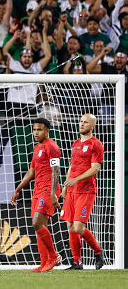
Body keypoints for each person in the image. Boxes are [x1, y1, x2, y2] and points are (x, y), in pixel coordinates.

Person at [10, 118, 62, 272]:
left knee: (36, 222)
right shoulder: (36, 148)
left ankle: (53, 256)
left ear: (47, 130)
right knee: (40, 226)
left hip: (48, 189)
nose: (35, 133)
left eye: (39, 129)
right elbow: (31, 171)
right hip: (38, 190)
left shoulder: (52, 147)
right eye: (34, 129)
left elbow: (56, 171)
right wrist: (18, 189)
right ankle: (44, 264)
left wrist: (53, 193)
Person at [59, 114, 104, 270]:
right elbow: (72, 166)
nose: (82, 124)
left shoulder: (96, 144)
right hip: (72, 190)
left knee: (78, 227)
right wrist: (65, 186)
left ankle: (98, 252)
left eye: (86, 122)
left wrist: (76, 180)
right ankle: (77, 263)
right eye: (81, 121)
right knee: (70, 226)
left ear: (92, 126)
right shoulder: (75, 143)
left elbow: (95, 168)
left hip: (86, 190)